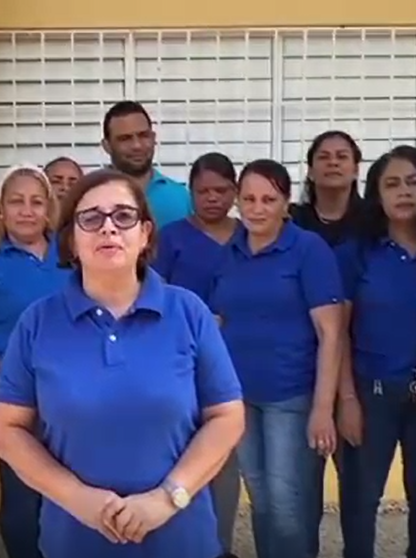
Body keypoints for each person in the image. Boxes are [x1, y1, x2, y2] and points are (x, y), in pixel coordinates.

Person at [0, 168, 245, 557]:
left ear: (145, 234)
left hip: (180, 540)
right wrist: (76, 498)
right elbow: (7, 429)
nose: (108, 228)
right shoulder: (37, 323)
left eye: (124, 216)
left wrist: (167, 498)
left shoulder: (188, 313)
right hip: (74, 542)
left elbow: (227, 417)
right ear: (70, 240)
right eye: (91, 218)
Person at [205, 159, 343, 558]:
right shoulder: (231, 251)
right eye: (249, 199)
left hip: (291, 396)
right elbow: (218, 318)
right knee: (261, 499)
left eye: (268, 199)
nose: (257, 208)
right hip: (241, 397)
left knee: (287, 506)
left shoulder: (308, 250)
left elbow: (331, 332)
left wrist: (323, 409)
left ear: (285, 203)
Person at [334, 146, 416, 558]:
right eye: (392, 184)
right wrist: (347, 399)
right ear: (376, 193)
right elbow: (337, 331)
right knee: (361, 496)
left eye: (413, 182)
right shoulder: (356, 252)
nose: (404, 192)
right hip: (370, 393)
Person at [0, 164, 70, 558]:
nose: (27, 210)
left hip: (72, 395)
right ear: (0, 209)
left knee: (70, 495)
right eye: (17, 201)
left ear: (49, 208)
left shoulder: (73, 256)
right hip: (13, 396)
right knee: (21, 498)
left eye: (37, 202)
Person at [151, 152, 242, 558]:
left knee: (229, 461)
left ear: (235, 192)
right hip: (183, 367)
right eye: (203, 191)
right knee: (187, 458)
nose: (212, 198)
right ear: (190, 193)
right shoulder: (171, 239)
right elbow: (152, 298)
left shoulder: (250, 235)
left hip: (244, 365)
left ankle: (220, 546)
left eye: (221, 190)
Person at [288, 130, 363, 556]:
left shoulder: (373, 223)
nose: (333, 162)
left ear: (355, 167)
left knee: (357, 487)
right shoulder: (291, 222)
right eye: (324, 156)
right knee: (302, 489)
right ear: (311, 169)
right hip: (302, 369)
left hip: (361, 369)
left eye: (342, 156)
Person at [101, 101, 192, 228]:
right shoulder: (90, 196)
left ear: (153, 138)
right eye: (125, 138)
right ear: (107, 146)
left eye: (143, 136)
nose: (137, 146)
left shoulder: (181, 197)